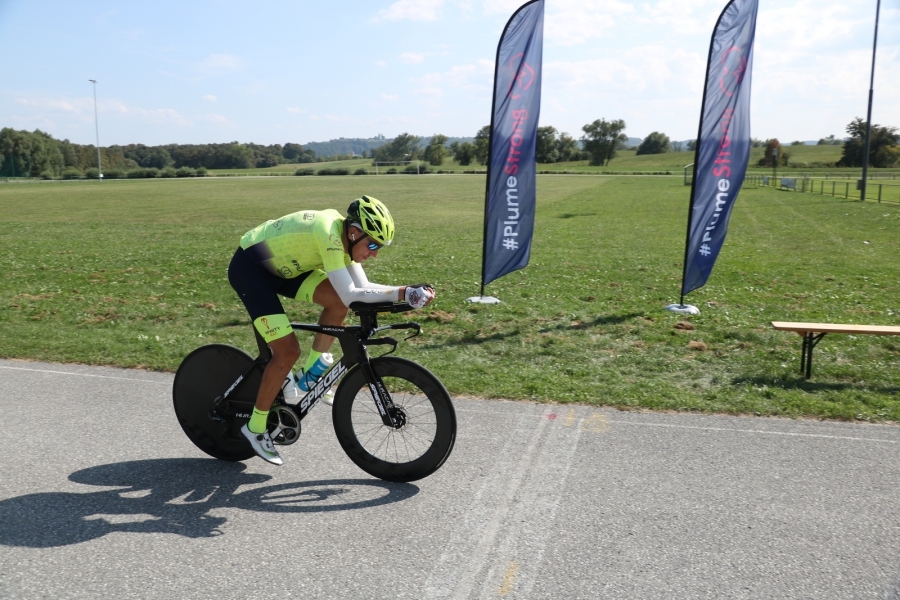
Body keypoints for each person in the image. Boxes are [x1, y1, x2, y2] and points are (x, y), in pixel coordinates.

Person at [228, 196, 435, 465]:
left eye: (379, 247)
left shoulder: (346, 239)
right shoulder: (329, 235)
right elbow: (353, 295)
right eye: (372, 244)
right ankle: (255, 428)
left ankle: (311, 374)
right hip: (251, 270)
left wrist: (406, 294)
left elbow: (362, 288)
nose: (374, 253)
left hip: (284, 267)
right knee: (287, 352)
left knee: (336, 302)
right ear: (354, 232)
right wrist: (403, 293)